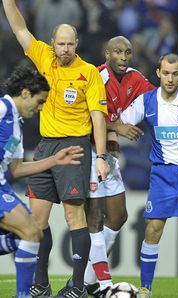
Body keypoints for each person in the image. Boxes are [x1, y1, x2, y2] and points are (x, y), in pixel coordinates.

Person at [58, 37, 178, 297]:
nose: (123, 56)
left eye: (128, 52)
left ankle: (88, 282)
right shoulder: (94, 76)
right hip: (87, 151)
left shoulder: (135, 78)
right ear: (107, 53)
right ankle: (83, 285)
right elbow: (84, 117)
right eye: (118, 51)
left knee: (118, 217)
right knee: (94, 218)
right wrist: (117, 128)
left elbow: (162, 96)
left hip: (109, 155)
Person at [2, 1, 110, 298]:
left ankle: (76, 285)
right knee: (37, 220)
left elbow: (98, 118)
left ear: (77, 44)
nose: (64, 49)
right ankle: (41, 283)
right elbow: (19, 28)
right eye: (60, 44)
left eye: (69, 44)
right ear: (53, 43)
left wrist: (100, 157)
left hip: (74, 146)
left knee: (75, 217)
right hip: (46, 146)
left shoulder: (88, 73)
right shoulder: (44, 59)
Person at [119, 53, 178, 298]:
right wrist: (118, 129)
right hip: (162, 174)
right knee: (152, 230)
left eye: (175, 73)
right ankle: (145, 288)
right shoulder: (146, 101)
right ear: (158, 73)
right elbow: (118, 120)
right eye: (166, 73)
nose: (170, 78)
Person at [0, 65, 85, 298]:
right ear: (25, 93)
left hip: (2, 186)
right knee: (30, 231)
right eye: (39, 102)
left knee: (33, 232)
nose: (40, 108)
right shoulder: (2, 107)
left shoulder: (16, 125)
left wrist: (55, 160)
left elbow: (16, 170)